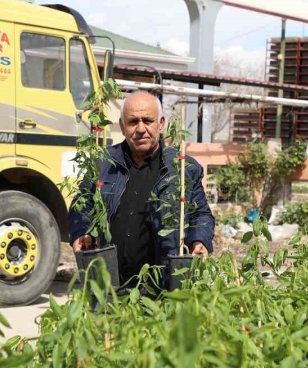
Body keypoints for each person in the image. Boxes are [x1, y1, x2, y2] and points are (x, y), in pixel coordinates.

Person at [68, 90, 215, 285]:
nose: (140, 128)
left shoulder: (183, 168)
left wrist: (199, 240)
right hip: (111, 285)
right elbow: (82, 203)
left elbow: (201, 214)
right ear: (122, 126)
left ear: (161, 124)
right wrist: (81, 231)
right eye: (132, 121)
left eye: (147, 120)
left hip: (164, 286)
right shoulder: (102, 163)